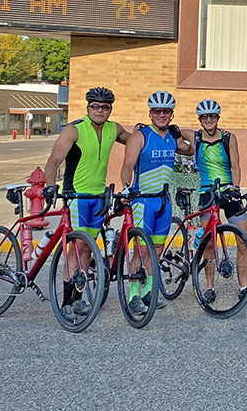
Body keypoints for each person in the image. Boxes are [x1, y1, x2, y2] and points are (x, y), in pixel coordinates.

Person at [42, 87, 131, 318]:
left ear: (110, 110)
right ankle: (67, 302)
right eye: (95, 106)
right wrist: (50, 184)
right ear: (87, 107)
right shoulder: (74, 130)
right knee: (76, 248)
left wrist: (153, 131)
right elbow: (54, 160)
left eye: (105, 107)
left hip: (98, 197)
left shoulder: (114, 129)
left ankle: (79, 299)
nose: (100, 110)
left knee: (87, 250)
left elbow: (137, 142)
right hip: (76, 196)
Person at [120, 90, 193, 311]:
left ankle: (149, 292)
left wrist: (181, 131)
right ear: (150, 113)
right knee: (141, 251)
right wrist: (125, 188)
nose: (161, 115)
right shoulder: (140, 136)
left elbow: (191, 148)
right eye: (157, 111)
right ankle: (134, 295)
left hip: (163, 201)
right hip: (142, 201)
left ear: (171, 114)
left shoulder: (172, 137)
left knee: (157, 249)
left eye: (166, 112)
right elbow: (127, 165)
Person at [192, 99, 247, 305]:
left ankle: (243, 287)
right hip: (206, 193)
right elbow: (170, 132)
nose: (209, 120)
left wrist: (236, 189)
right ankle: (210, 287)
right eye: (205, 117)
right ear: (200, 119)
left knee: (243, 240)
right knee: (209, 243)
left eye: (213, 116)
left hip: (228, 191)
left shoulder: (228, 138)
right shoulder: (194, 137)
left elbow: (236, 166)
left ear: (218, 118)